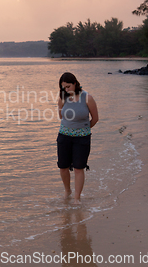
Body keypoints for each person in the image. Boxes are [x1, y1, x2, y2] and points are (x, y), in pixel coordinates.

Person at [57, 72, 99, 204]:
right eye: (63, 87)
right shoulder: (62, 97)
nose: (66, 89)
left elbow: (95, 118)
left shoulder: (87, 97)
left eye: (68, 86)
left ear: (75, 83)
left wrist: (83, 130)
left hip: (82, 139)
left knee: (78, 168)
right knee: (63, 167)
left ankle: (77, 198)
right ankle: (67, 191)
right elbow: (61, 116)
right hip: (64, 136)